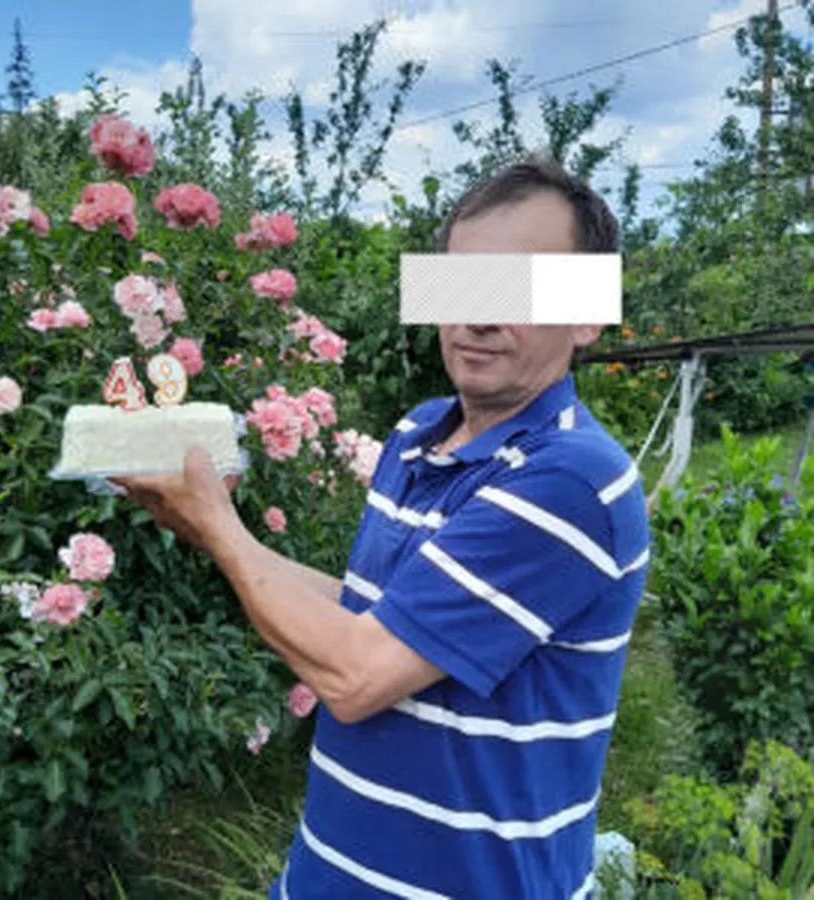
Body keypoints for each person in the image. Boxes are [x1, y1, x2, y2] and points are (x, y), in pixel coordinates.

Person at [116, 153, 651, 899]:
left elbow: (358, 675)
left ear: (588, 313)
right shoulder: (418, 435)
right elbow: (375, 619)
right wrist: (212, 525)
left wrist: (222, 529)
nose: (479, 315)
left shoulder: (571, 481)